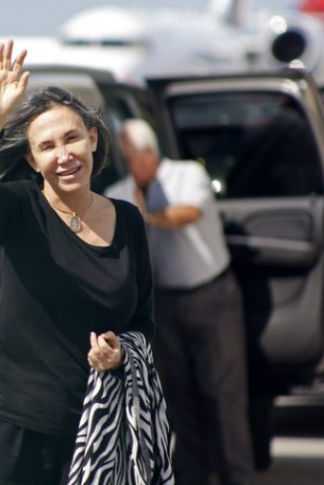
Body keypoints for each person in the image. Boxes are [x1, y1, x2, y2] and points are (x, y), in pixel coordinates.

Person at [0, 41, 162, 485]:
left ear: (93, 139)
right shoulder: (18, 208)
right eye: (47, 146)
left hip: (97, 422)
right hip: (17, 419)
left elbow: (143, 319)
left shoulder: (127, 219)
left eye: (72, 138)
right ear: (33, 160)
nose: (64, 154)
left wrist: (119, 351)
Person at [106, 119, 254, 485]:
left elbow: (189, 214)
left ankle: (237, 475)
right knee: (178, 396)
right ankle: (191, 475)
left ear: (147, 153)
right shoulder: (121, 191)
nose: (127, 167)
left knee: (224, 395)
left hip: (211, 295)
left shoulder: (187, 175)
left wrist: (146, 218)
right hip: (166, 303)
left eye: (130, 158)